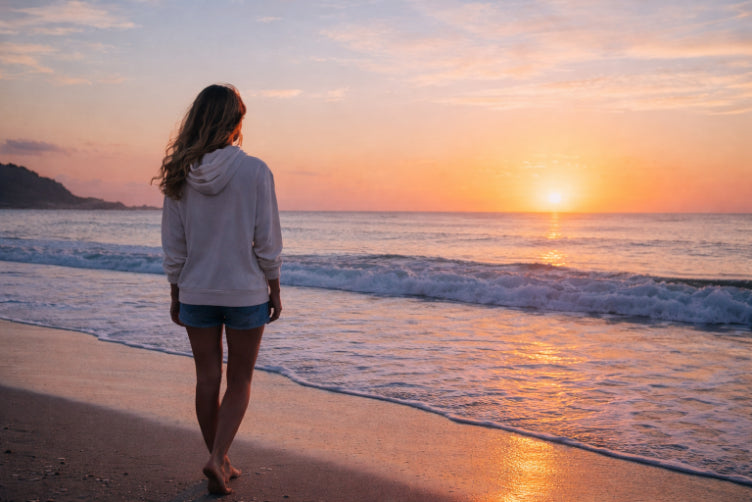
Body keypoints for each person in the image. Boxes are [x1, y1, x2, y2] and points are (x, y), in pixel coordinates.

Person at [154, 83, 282, 495]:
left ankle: (220, 459)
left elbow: (174, 243)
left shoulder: (180, 172)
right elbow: (266, 240)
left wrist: (176, 290)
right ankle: (216, 459)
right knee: (240, 380)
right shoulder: (256, 171)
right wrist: (274, 285)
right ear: (235, 122)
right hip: (245, 292)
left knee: (207, 378)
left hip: (196, 291)